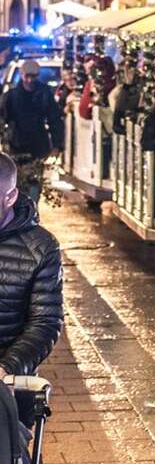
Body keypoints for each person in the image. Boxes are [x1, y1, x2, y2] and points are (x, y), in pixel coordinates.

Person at [0, 152, 63, 433]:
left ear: (10, 197)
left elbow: (45, 322)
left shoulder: (41, 248)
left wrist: (8, 367)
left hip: (8, 385)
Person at [0, 60, 63, 161]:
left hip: (39, 144)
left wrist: (57, 145)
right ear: (21, 75)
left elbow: (54, 120)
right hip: (16, 145)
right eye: (27, 76)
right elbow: (2, 118)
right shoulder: (11, 96)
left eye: (33, 76)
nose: (29, 80)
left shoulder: (45, 94)